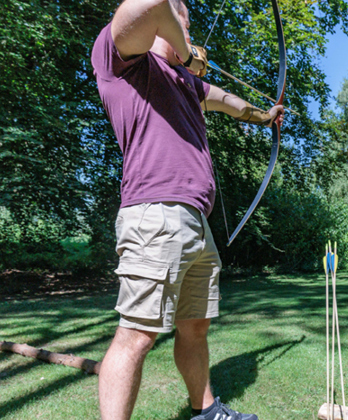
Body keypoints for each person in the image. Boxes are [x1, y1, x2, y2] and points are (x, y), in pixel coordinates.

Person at [91, 0, 283, 419]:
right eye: (186, 24)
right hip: (156, 212)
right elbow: (151, 4)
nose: (191, 35)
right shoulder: (124, 62)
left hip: (195, 220)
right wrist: (187, 49)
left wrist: (266, 117)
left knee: (195, 326)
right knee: (137, 334)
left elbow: (231, 103)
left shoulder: (187, 85)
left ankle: (207, 412)